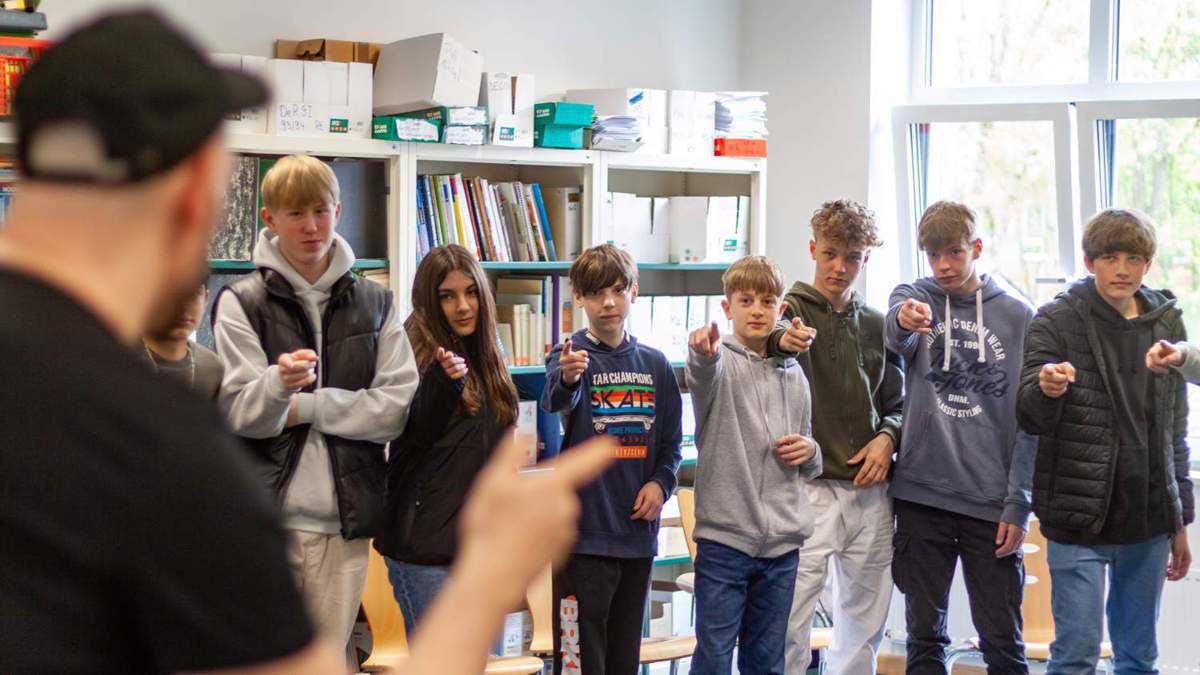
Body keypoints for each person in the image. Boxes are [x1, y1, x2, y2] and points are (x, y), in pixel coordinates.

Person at [0, 10, 619, 675]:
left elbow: (390, 407)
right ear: (192, 202)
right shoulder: (153, 444)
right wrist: (493, 573)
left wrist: (301, 402)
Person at [212, 153, 419, 653]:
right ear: (270, 219)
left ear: (339, 211)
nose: (311, 227)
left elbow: (393, 411)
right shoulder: (240, 302)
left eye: (321, 211)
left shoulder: (377, 304)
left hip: (344, 527)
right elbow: (241, 413)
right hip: (266, 524)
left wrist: (305, 405)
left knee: (326, 662)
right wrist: (277, 385)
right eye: (296, 214)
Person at [1017, 208, 1193, 674]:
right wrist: (1047, 386)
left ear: (1147, 264)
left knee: (1139, 658)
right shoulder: (1055, 319)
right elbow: (1028, 412)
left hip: (1149, 520)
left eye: (1133, 258)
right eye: (1110, 257)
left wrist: (1179, 523)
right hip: (1079, 521)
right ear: (1090, 260)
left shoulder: (1166, 323)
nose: (1121, 269)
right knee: (1075, 656)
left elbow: (1175, 428)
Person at [885, 200, 1036, 674]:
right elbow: (895, 333)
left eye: (954, 252)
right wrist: (905, 319)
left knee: (1002, 645)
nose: (945, 266)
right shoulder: (916, 297)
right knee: (924, 640)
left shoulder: (1019, 316)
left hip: (990, 505)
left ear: (976, 248)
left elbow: (1031, 419)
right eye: (933, 255)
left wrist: (1019, 504)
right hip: (922, 498)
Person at [766, 200, 903, 675]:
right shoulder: (788, 310)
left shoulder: (876, 324)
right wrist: (781, 338)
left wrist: (888, 437)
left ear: (865, 259)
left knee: (865, 621)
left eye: (851, 257)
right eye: (830, 254)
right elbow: (763, 338)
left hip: (870, 490)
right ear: (812, 250)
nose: (839, 268)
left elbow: (898, 404)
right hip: (808, 490)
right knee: (792, 616)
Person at [542, 244, 683, 675]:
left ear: (634, 294)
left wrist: (661, 484)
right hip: (581, 538)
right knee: (579, 658)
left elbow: (671, 447)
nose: (608, 303)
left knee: (623, 656)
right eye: (597, 293)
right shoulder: (570, 358)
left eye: (618, 291)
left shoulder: (656, 366)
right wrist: (568, 376)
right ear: (579, 298)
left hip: (635, 538)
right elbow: (554, 398)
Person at [686, 255, 822, 675]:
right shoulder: (720, 365)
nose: (757, 310)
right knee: (713, 657)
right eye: (746, 301)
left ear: (781, 310)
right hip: (725, 544)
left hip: (783, 548)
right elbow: (702, 371)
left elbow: (809, 449)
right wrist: (701, 354)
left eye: (767, 301)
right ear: (728, 309)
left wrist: (811, 451)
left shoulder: (795, 375)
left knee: (766, 663)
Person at [374, 244, 521, 632]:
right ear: (428, 300)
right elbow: (412, 433)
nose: (463, 306)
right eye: (448, 296)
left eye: (471, 292)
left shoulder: (488, 354)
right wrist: (442, 384)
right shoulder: (409, 351)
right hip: (426, 550)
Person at [142, 277, 223, 400]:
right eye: (170, 292)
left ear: (206, 299)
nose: (183, 305)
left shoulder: (213, 369)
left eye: (194, 293)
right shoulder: (116, 362)